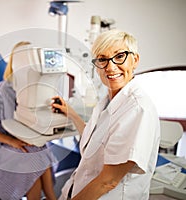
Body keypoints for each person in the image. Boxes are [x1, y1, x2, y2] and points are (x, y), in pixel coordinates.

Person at [51, 29, 160, 200]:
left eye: (119, 57)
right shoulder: (107, 101)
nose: (110, 67)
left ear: (135, 60)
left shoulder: (137, 109)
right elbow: (94, 139)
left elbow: (108, 182)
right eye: (102, 59)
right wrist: (71, 113)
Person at [0, 41, 57, 200]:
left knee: (42, 155)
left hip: (25, 139)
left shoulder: (33, 88)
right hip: (1, 143)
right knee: (31, 166)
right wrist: (12, 141)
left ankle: (51, 197)